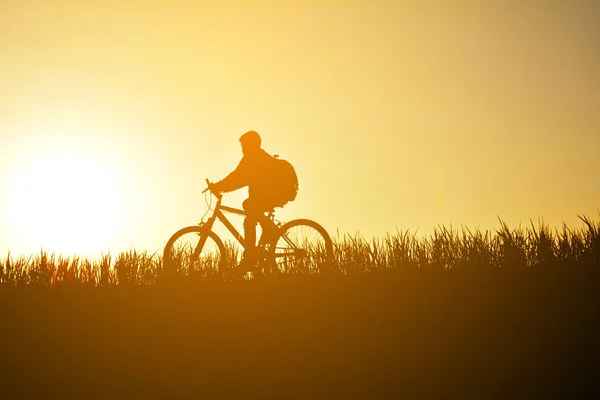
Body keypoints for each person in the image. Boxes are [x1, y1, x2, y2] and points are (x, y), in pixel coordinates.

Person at [210, 130, 286, 268]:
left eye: (244, 146)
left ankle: (254, 252)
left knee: (249, 210)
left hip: (272, 195)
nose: (243, 149)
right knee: (249, 212)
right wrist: (221, 186)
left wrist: (220, 187)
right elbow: (237, 176)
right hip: (265, 196)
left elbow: (239, 178)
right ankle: (252, 254)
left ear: (252, 145)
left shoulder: (256, 158)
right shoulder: (254, 157)